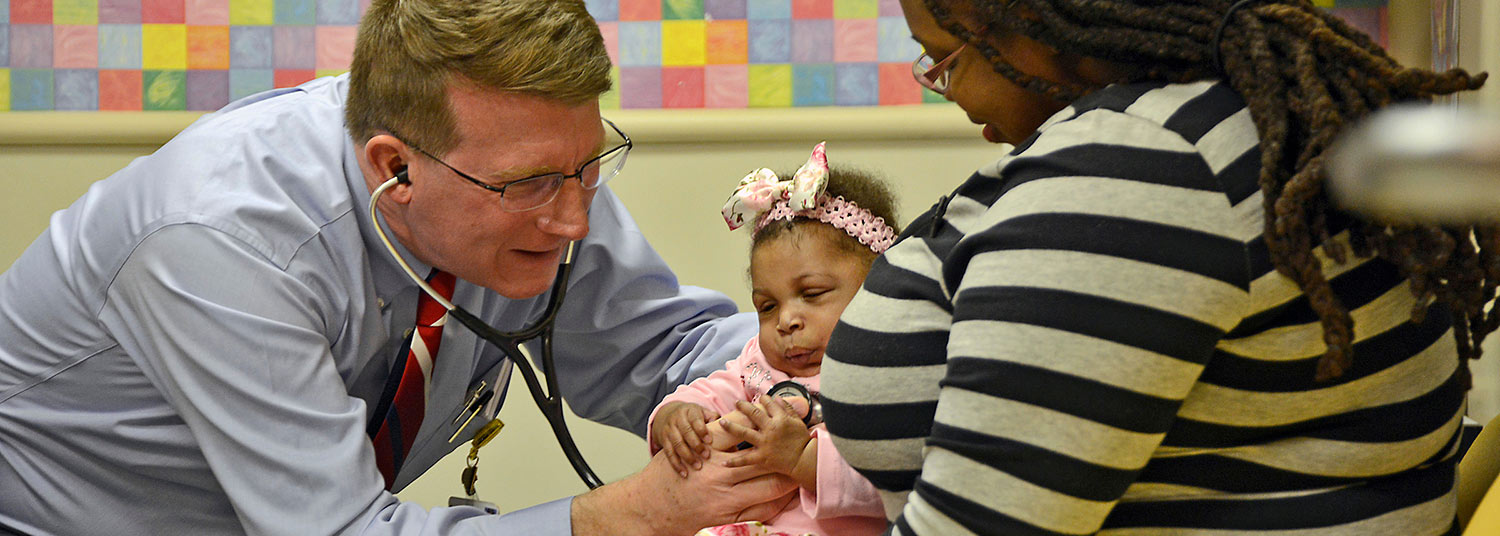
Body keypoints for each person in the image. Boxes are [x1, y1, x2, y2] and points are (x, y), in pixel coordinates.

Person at [0, 1, 797, 535]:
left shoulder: (526, 169)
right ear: (395, 168)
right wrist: (635, 513)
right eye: (535, 185)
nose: (576, 221)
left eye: (589, 167)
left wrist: (828, 375)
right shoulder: (220, 238)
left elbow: (663, 352)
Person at [820, 0, 1495, 534]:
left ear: (1032, 18)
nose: (945, 91)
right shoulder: (1216, 124)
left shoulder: (1147, 165)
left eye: (944, 59)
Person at [648, 144, 895, 536]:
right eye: (766, 306)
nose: (786, 321)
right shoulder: (759, 369)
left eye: (811, 294)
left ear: (883, 289)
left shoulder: (893, 374)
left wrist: (802, 458)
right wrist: (676, 416)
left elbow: (898, 478)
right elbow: (712, 391)